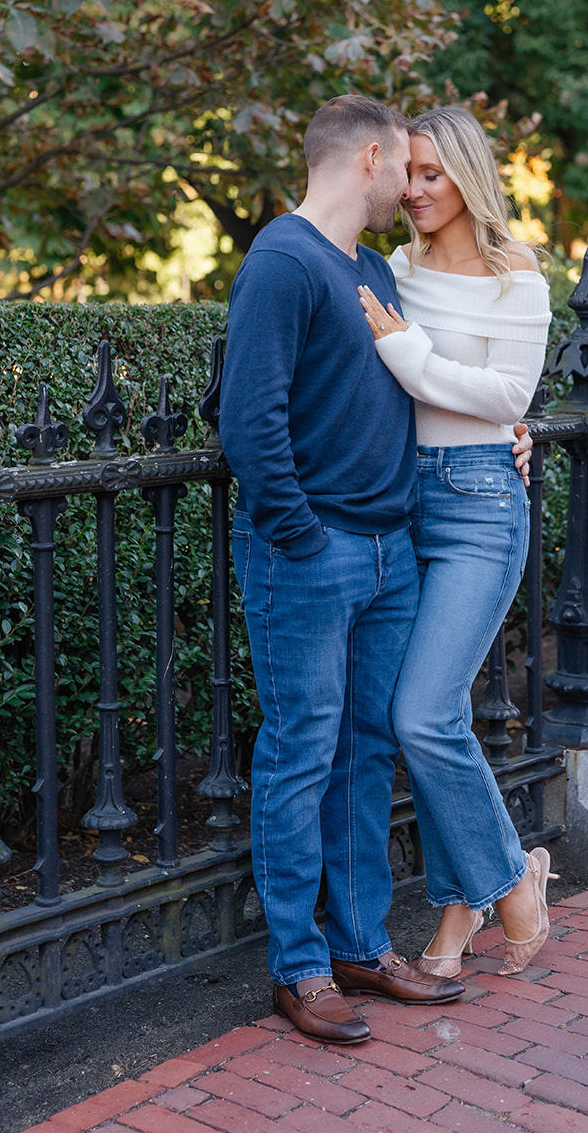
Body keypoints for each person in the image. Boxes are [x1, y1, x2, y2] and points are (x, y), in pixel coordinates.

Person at [219, 96, 480, 1045]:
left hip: (389, 553)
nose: (406, 186)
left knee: (368, 752)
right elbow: (249, 422)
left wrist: (512, 431)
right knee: (301, 753)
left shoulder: (373, 270)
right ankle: (298, 968)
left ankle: (361, 944)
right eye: (400, 168)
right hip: (313, 552)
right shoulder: (281, 262)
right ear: (366, 157)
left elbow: (423, 380)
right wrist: (300, 536)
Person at [357, 104, 555, 977]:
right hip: (403, 500)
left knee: (422, 713)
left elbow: (506, 397)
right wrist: (415, 361)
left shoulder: (518, 274)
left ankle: (508, 887)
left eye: (431, 173)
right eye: (406, 173)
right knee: (426, 718)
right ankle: (466, 902)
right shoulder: (394, 269)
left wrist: (407, 354)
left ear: (467, 176)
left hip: (479, 499)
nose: (413, 190)